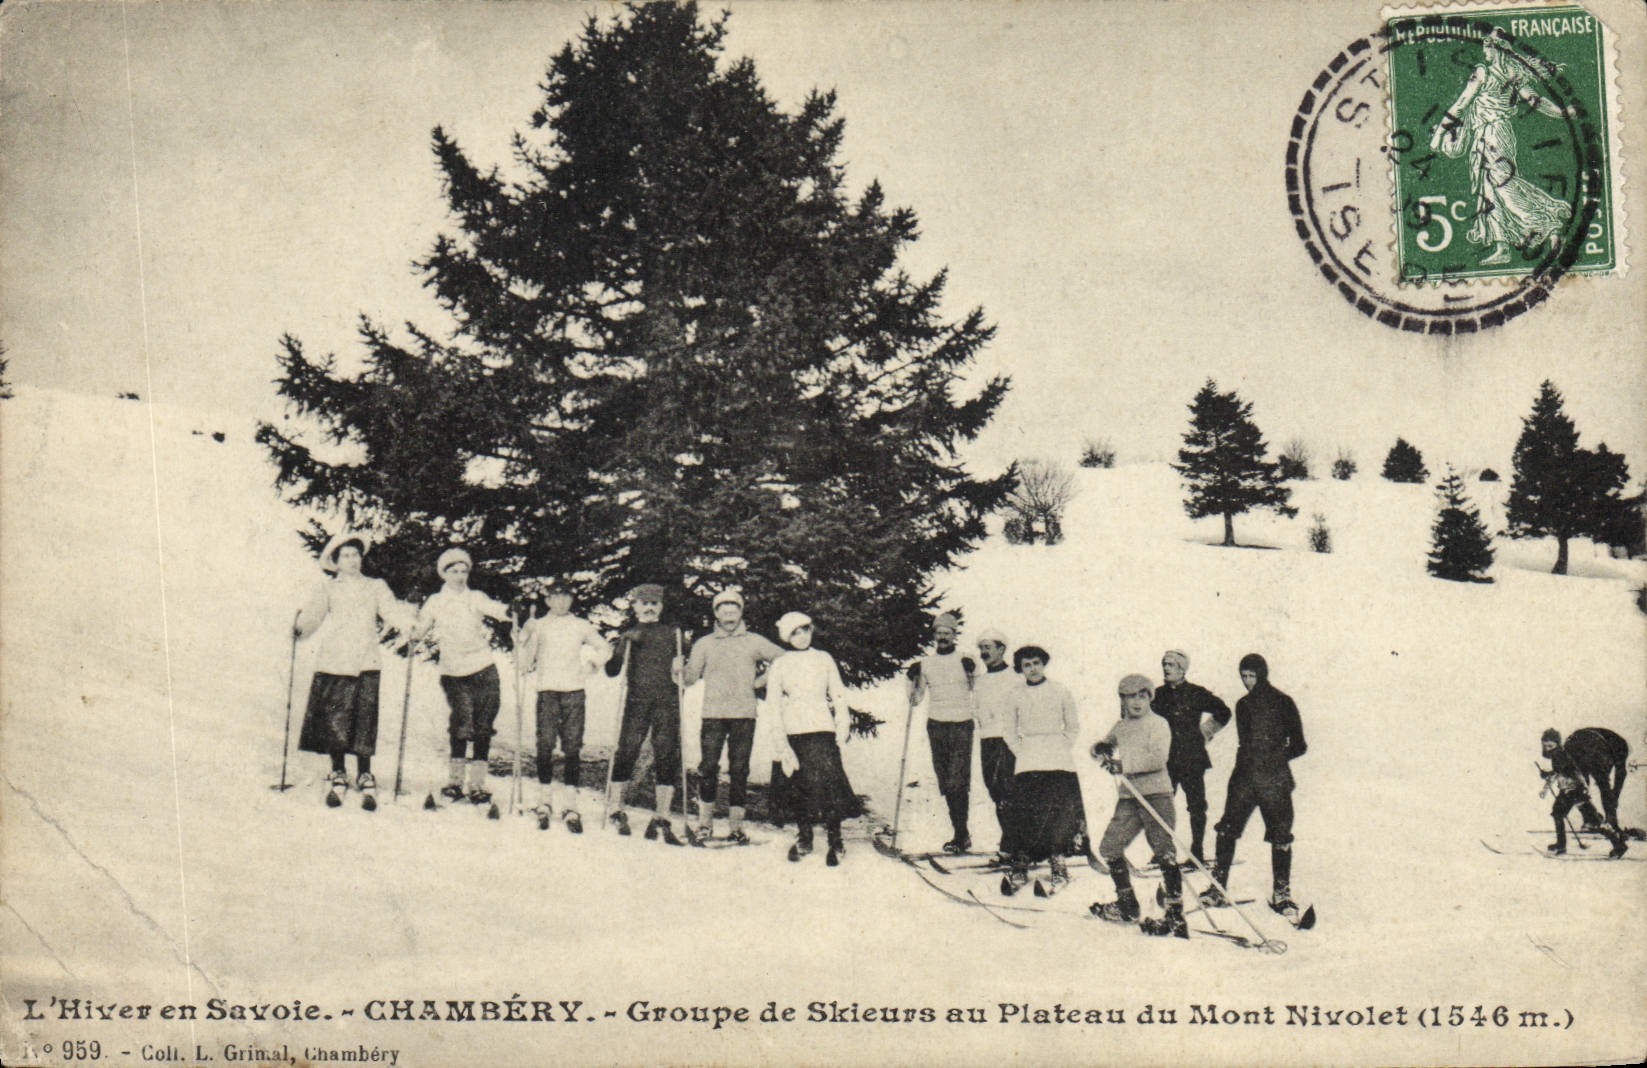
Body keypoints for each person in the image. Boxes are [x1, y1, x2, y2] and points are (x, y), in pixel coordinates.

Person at [293, 532, 413, 810]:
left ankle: (364, 771)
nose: (352, 560)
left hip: (366, 661)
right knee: (336, 718)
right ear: (335, 561)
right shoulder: (328, 588)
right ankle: (337, 770)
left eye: (356, 555)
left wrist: (409, 627)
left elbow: (391, 611)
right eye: (345, 555)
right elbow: (314, 615)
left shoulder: (375, 587)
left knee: (364, 717)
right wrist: (300, 627)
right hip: (334, 660)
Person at [1429, 36, 1573, 266]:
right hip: (1491, 134)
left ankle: (1548, 225)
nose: (1485, 50)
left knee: (1503, 187)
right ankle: (1502, 247)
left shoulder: (1483, 73)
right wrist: (1564, 113)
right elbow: (1536, 101)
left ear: (1498, 49)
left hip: (1492, 135)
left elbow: (1462, 102)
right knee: (1489, 191)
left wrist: (1438, 136)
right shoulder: (1513, 74)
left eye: (1488, 47)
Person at [1203, 653, 1307, 922]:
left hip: (1275, 781)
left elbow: (1299, 744)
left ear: (1263, 674)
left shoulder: (1284, 702)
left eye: (1252, 675)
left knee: (1281, 834)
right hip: (1245, 778)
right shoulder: (1243, 705)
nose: (1247, 681)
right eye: (1244, 676)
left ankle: (1281, 894)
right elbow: (1245, 742)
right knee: (1227, 829)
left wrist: (1276, 758)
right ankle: (1217, 887)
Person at [1089, 675, 1187, 938]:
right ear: (1122, 700)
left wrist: (1123, 765)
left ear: (1149, 698)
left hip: (1157, 794)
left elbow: (1157, 758)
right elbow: (1103, 747)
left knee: (1164, 852)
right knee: (1109, 847)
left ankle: (1176, 917)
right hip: (1129, 797)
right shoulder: (1121, 726)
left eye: (1141, 696)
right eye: (1129, 696)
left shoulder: (1158, 724)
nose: (1136, 702)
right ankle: (1127, 905)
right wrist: (1100, 749)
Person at [414, 548, 512, 806]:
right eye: (453, 571)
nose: (459, 576)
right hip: (454, 671)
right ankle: (455, 781)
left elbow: (497, 609)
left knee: (483, 724)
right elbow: (420, 628)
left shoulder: (475, 597)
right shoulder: (436, 601)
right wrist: (412, 629)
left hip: (483, 666)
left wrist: (514, 612)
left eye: (463, 571)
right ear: (444, 574)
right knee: (461, 722)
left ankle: (478, 783)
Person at [684, 589, 782, 845]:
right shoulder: (704, 644)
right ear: (716, 614)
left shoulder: (754, 641)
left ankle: (736, 827)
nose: (729, 615)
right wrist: (678, 670)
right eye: (723, 611)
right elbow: (690, 677)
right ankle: (705, 825)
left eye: (734, 610)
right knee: (708, 768)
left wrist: (761, 680)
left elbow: (783, 659)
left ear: (740, 612)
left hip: (744, 714)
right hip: (713, 715)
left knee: (739, 770)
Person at [761, 612, 856, 866]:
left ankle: (835, 839)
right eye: (795, 632)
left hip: (822, 728)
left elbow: (837, 693)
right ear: (787, 636)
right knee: (799, 785)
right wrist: (781, 743)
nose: (802, 636)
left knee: (829, 783)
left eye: (805, 630)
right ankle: (805, 837)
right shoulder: (781, 663)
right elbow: (773, 704)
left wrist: (842, 723)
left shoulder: (823, 658)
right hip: (794, 729)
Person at [519, 581, 611, 833]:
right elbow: (523, 662)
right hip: (547, 690)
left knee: (572, 747)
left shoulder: (580, 625)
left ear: (572, 600)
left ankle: (571, 805)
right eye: (555, 597)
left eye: (566, 597)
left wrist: (593, 664)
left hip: (574, 691)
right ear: (547, 600)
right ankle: (544, 801)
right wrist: (525, 635)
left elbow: (604, 647)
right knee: (545, 745)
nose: (561, 602)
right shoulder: (538, 624)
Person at [604, 583, 685, 842]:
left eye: (654, 603)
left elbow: (692, 666)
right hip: (637, 700)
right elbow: (613, 670)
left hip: (666, 701)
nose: (649, 608)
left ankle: (662, 814)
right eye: (644, 603)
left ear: (661, 606)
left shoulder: (673, 634)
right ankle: (616, 807)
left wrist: (681, 663)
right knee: (627, 750)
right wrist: (619, 648)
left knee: (666, 752)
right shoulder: (630, 634)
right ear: (635, 606)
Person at [999, 645, 1082, 895]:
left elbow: (1073, 727)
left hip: (1058, 761)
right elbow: (1009, 732)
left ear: (1043, 664)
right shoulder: (1015, 695)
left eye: (1036, 663)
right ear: (1021, 668)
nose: (1032, 668)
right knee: (1024, 813)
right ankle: (1020, 865)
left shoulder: (1060, 690)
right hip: (1028, 762)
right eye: (1027, 664)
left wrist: (1058, 747)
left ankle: (1058, 867)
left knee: (1057, 814)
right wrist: (1024, 751)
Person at [1152, 649, 1231, 867]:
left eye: (1170, 665)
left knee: (1196, 806)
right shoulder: (1156, 695)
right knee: (1161, 805)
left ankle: (1197, 852)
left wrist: (1205, 732)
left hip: (1192, 758)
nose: (1166, 668)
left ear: (1182, 669)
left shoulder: (1197, 693)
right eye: (1164, 664)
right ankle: (1163, 852)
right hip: (1165, 759)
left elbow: (1224, 712)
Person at [907, 613, 977, 854]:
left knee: (958, 780)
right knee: (946, 781)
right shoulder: (927, 663)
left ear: (955, 635)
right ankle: (961, 833)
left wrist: (972, 671)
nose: (943, 637)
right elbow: (915, 699)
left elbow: (979, 691)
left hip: (961, 724)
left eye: (948, 633)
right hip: (936, 725)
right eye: (939, 633)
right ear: (934, 636)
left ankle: (960, 834)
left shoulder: (967, 659)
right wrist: (911, 678)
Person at [1539, 729, 1627, 858]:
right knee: (1558, 814)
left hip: (1575, 792)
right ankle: (1561, 844)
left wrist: (1583, 789)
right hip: (1567, 791)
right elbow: (1558, 772)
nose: (1548, 749)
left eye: (1550, 746)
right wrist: (1545, 787)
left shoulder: (1563, 755)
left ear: (1558, 744)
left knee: (1593, 822)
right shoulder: (1557, 756)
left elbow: (1574, 772)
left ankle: (1619, 845)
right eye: (1545, 746)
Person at [972, 628, 1020, 858]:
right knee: (994, 790)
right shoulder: (980, 682)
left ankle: (1013, 845)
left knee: (1008, 790)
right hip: (987, 740)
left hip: (1008, 740)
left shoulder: (1015, 677)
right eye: (981, 648)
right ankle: (1010, 840)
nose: (983, 652)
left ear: (1002, 649)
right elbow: (977, 709)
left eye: (988, 648)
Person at [1561, 726, 1631, 834]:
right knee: (1597, 785)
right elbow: (1619, 776)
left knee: (1577, 786)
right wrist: (1614, 797)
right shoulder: (1620, 747)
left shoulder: (1614, 748)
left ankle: (1592, 819)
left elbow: (1618, 775)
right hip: (1588, 746)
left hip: (1574, 743)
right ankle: (1607, 822)